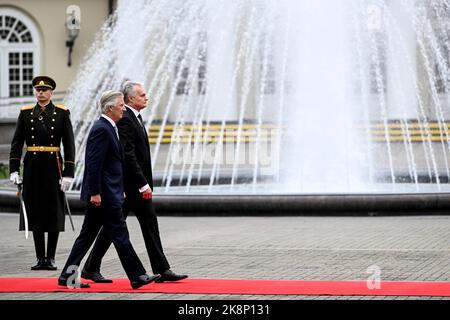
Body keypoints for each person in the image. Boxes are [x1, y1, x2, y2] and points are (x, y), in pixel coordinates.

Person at [81, 81, 188, 283]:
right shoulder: (125, 119)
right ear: (131, 98)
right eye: (142, 95)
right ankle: (91, 266)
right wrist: (142, 183)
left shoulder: (134, 117)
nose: (146, 97)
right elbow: (128, 155)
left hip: (133, 186)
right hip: (130, 186)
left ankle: (161, 269)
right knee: (114, 226)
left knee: (142, 224)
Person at [58, 90, 160, 289]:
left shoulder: (109, 126)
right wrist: (95, 192)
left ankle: (66, 276)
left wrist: (119, 188)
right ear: (110, 108)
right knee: (120, 235)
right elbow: (94, 164)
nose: (124, 109)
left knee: (87, 236)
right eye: (121, 105)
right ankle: (137, 275)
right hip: (103, 196)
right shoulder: (101, 129)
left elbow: (113, 165)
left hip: (108, 193)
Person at [9, 76, 75, 271]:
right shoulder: (26, 113)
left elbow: (69, 146)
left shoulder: (62, 113)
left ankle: (51, 258)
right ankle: (40, 258)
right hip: (32, 168)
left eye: (45, 90)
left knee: (53, 211)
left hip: (53, 167)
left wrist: (68, 173)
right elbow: (16, 144)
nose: (41, 93)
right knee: (35, 210)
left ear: (51, 93)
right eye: (38, 90)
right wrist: (14, 169)